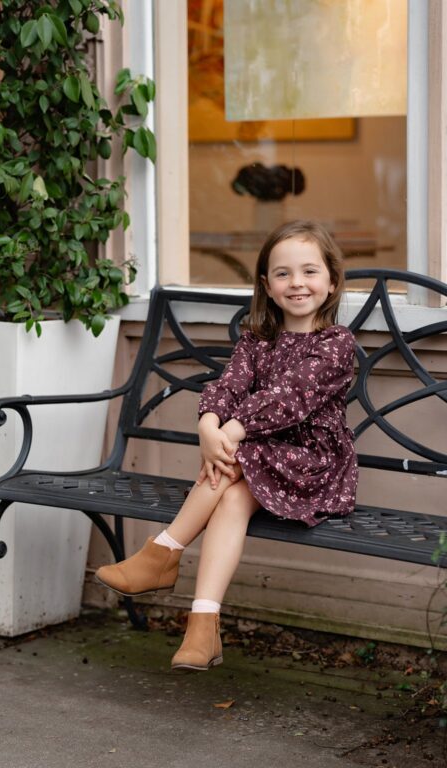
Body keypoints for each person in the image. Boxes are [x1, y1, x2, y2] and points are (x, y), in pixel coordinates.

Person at [95, 219, 358, 671]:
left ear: (331, 281)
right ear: (267, 286)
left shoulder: (335, 343)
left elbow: (290, 399)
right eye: (283, 273)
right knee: (233, 498)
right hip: (255, 463)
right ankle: (203, 625)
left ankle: (163, 552)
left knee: (235, 458)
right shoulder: (257, 340)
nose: (297, 282)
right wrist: (209, 425)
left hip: (314, 465)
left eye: (309, 271)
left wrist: (229, 435)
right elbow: (227, 386)